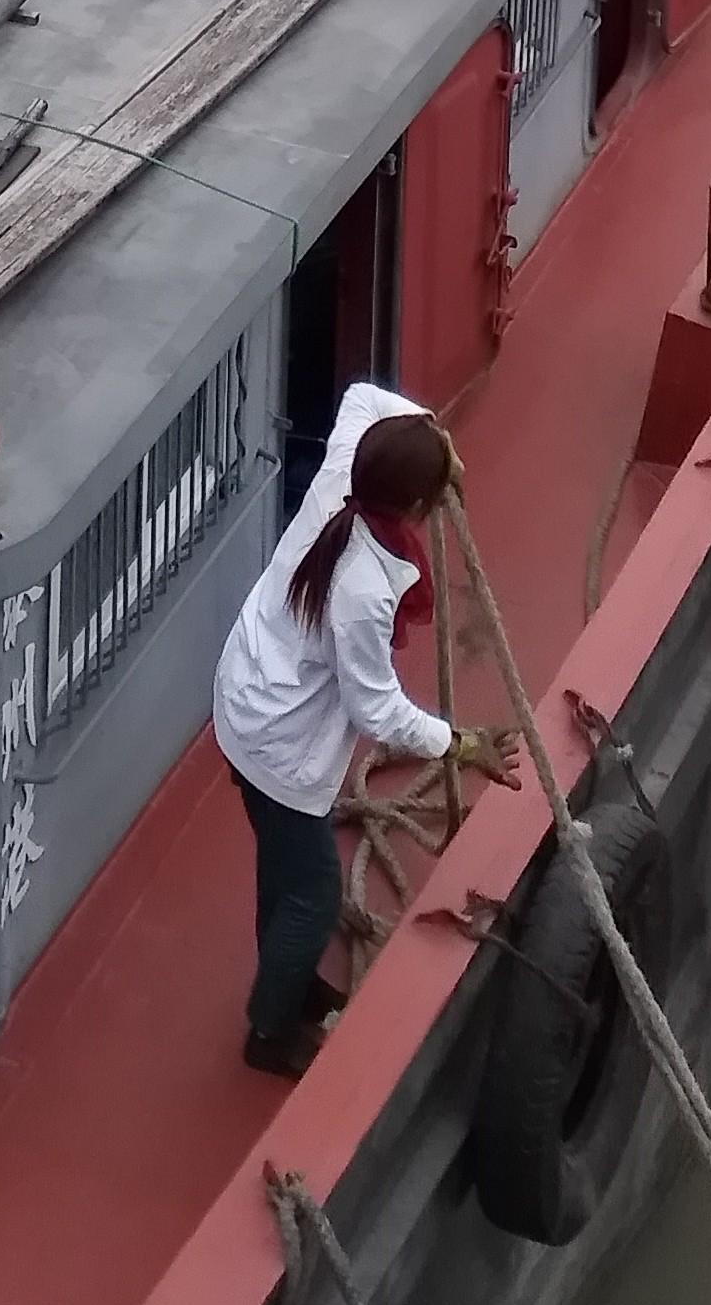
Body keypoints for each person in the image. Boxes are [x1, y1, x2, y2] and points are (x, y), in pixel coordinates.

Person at [210, 380, 516, 1078]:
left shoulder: (343, 473)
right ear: (412, 508)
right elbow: (375, 709)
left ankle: (286, 984)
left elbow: (355, 397)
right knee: (314, 895)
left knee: (284, 869)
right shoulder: (365, 591)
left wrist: (432, 432)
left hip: (246, 693)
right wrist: (457, 744)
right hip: (275, 744)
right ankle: (268, 1033)